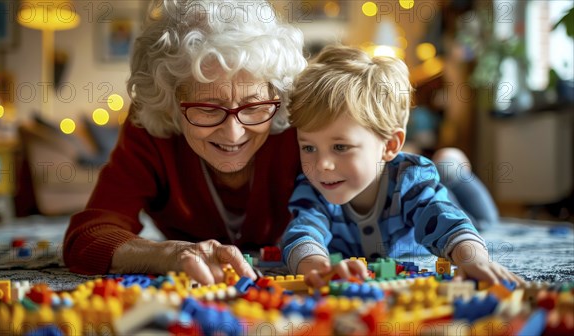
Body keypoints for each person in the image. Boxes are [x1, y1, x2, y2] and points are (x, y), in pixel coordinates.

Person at [63, 0, 307, 285]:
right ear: (169, 102)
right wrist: (169, 253)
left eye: (253, 107)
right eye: (208, 108)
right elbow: (88, 236)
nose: (233, 133)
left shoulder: (299, 124)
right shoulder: (149, 130)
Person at [280, 45, 523, 288]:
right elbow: (303, 233)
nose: (322, 164)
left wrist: (473, 259)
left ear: (389, 145)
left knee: (484, 221)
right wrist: (319, 268)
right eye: (309, 148)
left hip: (453, 203)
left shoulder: (409, 178)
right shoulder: (313, 189)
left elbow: (446, 220)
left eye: (341, 147)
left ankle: (453, 171)